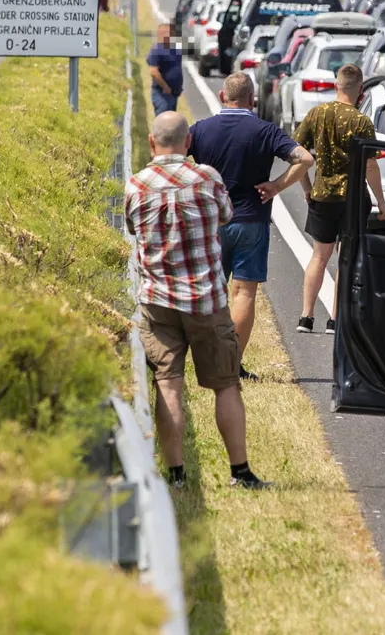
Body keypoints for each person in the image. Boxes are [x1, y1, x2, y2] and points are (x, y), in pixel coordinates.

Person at [125, 112, 271, 491]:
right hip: (205, 298)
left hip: (158, 300)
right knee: (226, 384)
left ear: (152, 142)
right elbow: (225, 216)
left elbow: (132, 227)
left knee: (167, 382)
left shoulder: (136, 185)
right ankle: (240, 471)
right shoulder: (207, 178)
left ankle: (176, 476)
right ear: (188, 142)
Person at [189, 72, 315, 380]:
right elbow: (305, 159)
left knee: (210, 292)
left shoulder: (201, 129)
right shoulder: (265, 130)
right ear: (252, 99)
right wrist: (276, 186)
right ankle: (232, 365)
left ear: (222, 96)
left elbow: (172, 156)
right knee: (243, 294)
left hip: (211, 223)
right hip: (251, 221)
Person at [292, 63, 385, 334]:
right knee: (344, 259)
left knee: (318, 257)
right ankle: (334, 320)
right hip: (353, 200)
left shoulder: (317, 113)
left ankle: (306, 317)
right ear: (360, 90)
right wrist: (381, 202)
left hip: (322, 196)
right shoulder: (361, 121)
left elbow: (297, 153)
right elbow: (370, 166)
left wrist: (306, 187)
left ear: (336, 85)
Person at [148, 23, 183, 116]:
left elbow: (177, 68)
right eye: (169, 33)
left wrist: (179, 87)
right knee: (164, 119)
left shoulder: (175, 49)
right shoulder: (157, 50)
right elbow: (153, 72)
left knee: (171, 120)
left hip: (173, 93)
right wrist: (165, 87)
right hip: (162, 94)